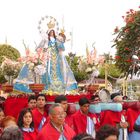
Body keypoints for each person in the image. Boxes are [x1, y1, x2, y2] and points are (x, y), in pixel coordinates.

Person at [14, 28, 78, 94]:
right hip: (47, 57)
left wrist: (60, 41)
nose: (52, 33)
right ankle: (47, 87)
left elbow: (61, 48)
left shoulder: (57, 40)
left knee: (57, 70)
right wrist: (44, 51)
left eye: (53, 32)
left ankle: (58, 87)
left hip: (56, 57)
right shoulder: (46, 39)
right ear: (48, 33)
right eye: (50, 32)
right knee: (46, 70)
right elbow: (40, 47)